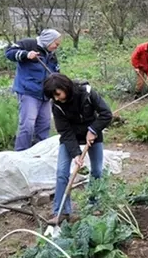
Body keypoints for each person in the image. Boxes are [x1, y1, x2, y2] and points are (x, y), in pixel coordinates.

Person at [45, 74, 113, 225]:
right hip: (71, 137)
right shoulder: (56, 105)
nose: (56, 98)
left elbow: (106, 114)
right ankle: (61, 212)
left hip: (92, 134)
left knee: (96, 171)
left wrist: (94, 130)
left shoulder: (87, 93)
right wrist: (75, 153)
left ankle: (93, 204)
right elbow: (65, 131)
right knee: (62, 173)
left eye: (57, 94)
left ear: (65, 88)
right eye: (52, 96)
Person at [5, 29, 62, 150]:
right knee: (27, 125)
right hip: (29, 92)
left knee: (44, 125)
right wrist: (26, 54)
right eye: (56, 44)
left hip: (45, 95)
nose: (57, 47)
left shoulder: (51, 55)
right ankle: (20, 153)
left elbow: (55, 72)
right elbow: (9, 52)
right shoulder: (28, 44)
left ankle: (39, 153)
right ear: (48, 40)